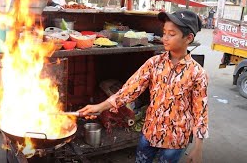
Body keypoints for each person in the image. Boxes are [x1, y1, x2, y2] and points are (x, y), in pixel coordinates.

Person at [79, 10, 208, 163]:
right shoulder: (154, 63)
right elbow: (129, 90)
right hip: (149, 133)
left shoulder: (197, 73)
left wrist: (198, 148)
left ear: (188, 38)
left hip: (175, 140)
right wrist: (100, 107)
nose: (164, 38)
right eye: (164, 32)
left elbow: (200, 112)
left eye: (171, 34)